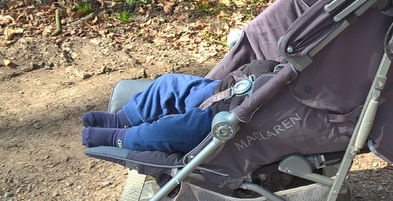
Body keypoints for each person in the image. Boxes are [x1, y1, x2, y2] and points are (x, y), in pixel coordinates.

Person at [81, 60, 280, 153]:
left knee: (171, 130)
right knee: (169, 84)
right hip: (233, 86)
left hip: (233, 119)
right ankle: (122, 119)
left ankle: (118, 137)